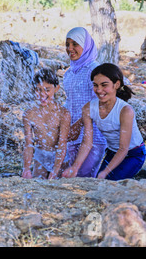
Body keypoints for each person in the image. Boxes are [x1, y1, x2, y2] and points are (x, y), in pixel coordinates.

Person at [63, 63, 145, 181]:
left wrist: (106, 171)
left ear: (116, 84)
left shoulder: (125, 111)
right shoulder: (88, 108)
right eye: (95, 85)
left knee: (109, 182)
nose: (99, 90)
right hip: (112, 151)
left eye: (104, 85)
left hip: (133, 154)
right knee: (100, 182)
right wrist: (75, 167)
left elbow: (123, 148)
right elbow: (87, 142)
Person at [62, 27, 107, 178]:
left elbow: (100, 102)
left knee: (84, 178)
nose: (70, 48)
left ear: (86, 45)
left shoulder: (94, 70)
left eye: (75, 44)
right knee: (71, 178)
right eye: (67, 44)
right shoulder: (69, 73)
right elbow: (69, 102)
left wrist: (78, 124)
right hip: (73, 136)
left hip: (93, 136)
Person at [22, 68, 71, 180]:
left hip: (59, 157)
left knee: (58, 187)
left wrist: (55, 170)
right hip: (41, 156)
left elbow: (62, 143)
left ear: (56, 88)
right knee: (36, 188)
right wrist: (26, 168)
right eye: (38, 90)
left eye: (47, 90)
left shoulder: (63, 113)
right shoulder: (29, 113)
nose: (42, 94)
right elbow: (28, 144)